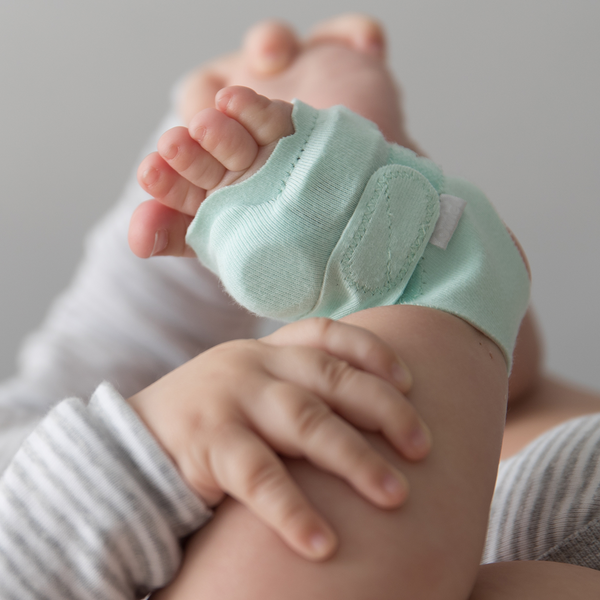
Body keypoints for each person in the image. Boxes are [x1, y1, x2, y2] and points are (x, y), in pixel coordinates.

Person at [0, 14, 598, 600]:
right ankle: (431, 269)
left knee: (462, 395)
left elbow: (114, 346)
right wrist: (156, 448)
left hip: (483, 471)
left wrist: (206, 182)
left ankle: (412, 291)